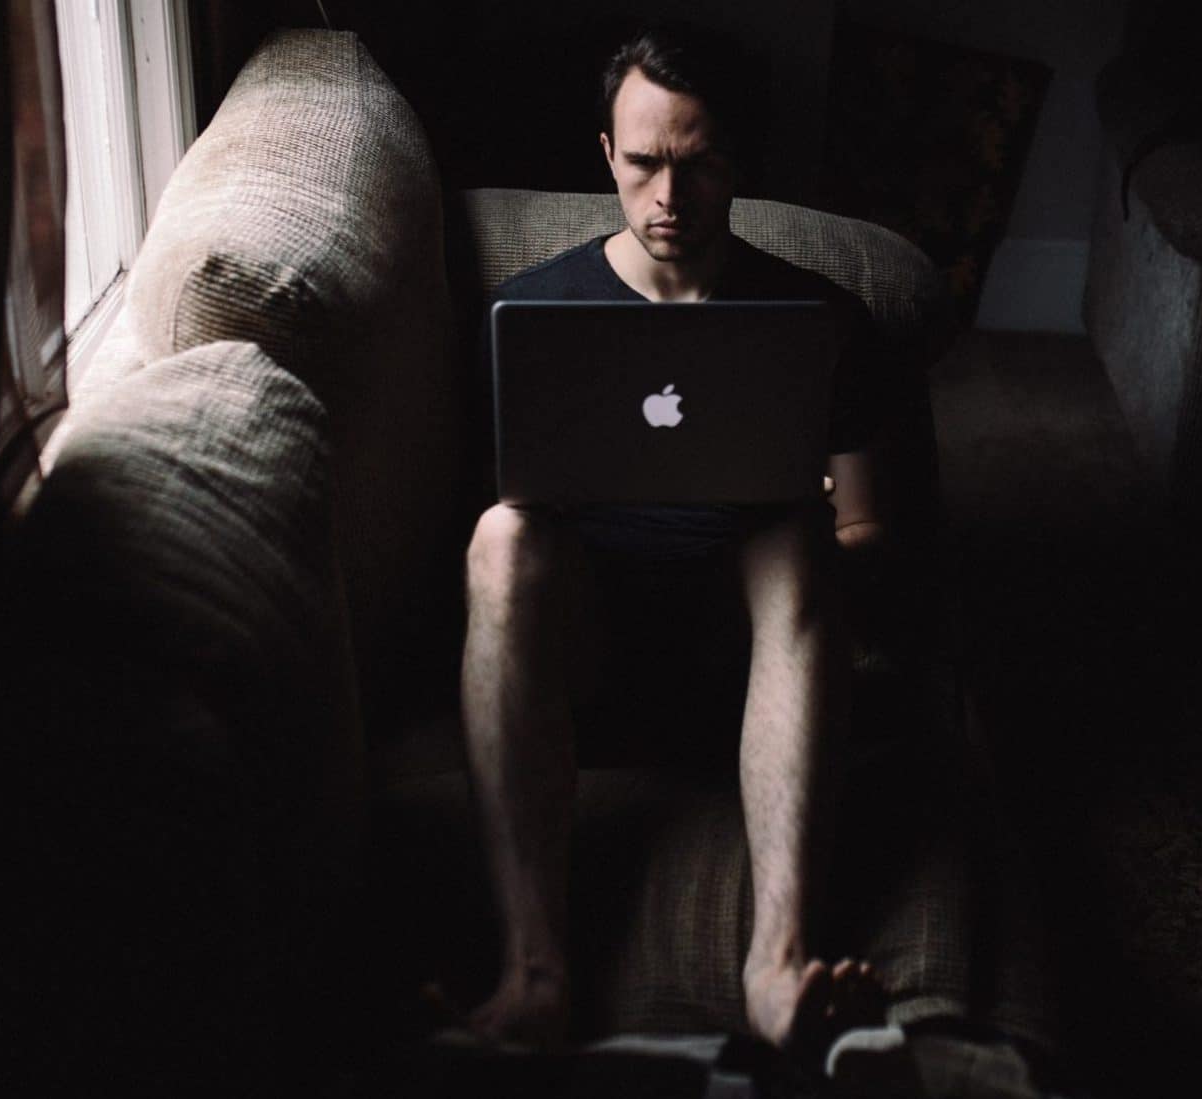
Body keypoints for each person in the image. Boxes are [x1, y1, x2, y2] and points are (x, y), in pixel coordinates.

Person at [453, 24, 894, 1055]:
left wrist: (819, 529)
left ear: (734, 160)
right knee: (498, 534)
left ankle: (775, 968)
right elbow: (501, 547)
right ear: (605, 151)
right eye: (644, 162)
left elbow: (870, 526)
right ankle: (533, 971)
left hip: (755, 661)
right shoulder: (529, 313)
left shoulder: (818, 318)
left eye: (694, 166)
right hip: (583, 655)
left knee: (792, 534)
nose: (666, 197)